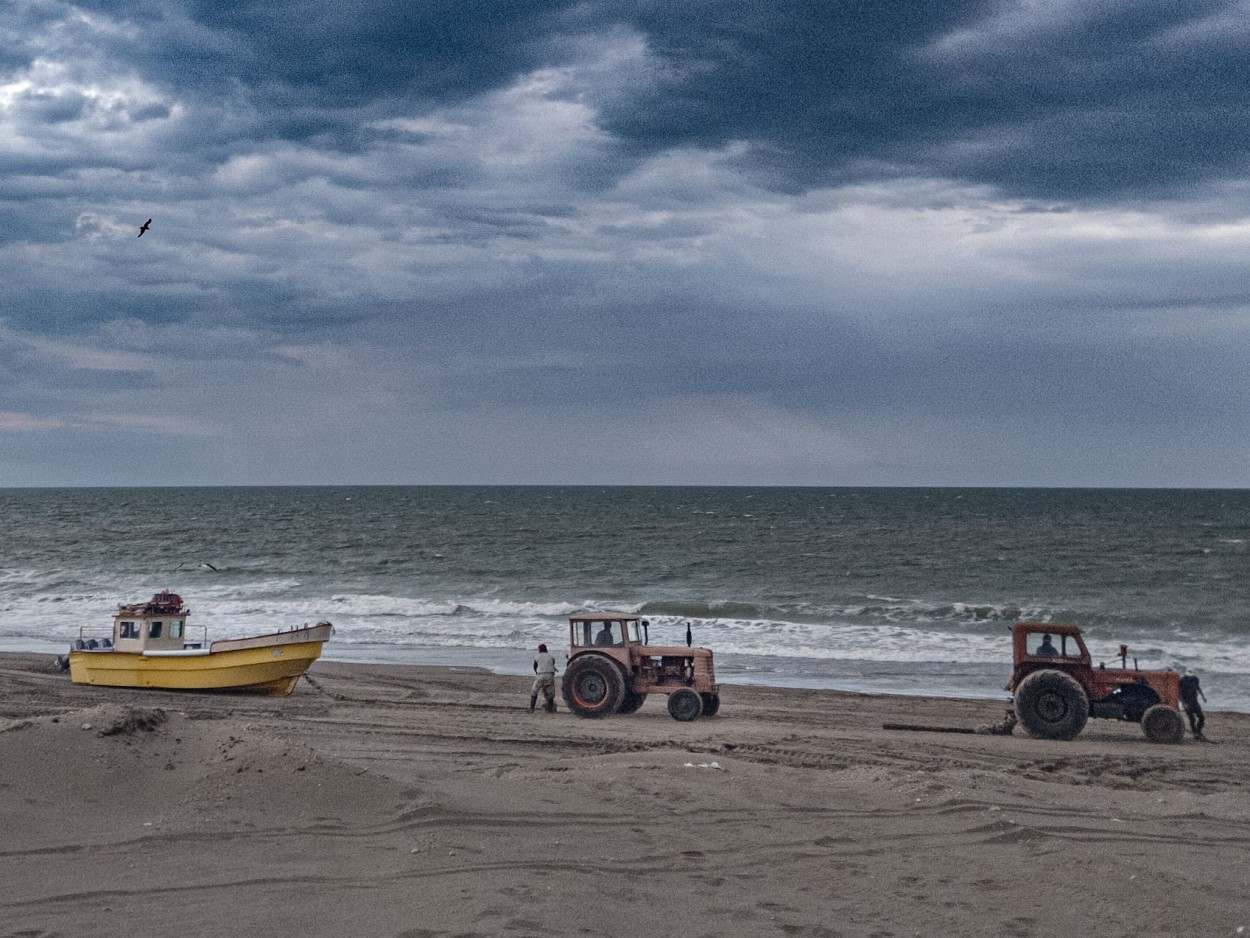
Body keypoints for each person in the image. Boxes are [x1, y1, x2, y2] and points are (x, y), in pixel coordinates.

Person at [530, 643, 558, 713]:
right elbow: (552, 664)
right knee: (550, 693)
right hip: (550, 675)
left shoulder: (537, 657)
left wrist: (537, 674)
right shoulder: (551, 657)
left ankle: (531, 709)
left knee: (534, 691)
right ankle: (550, 710)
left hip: (540, 675)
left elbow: (535, 666)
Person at [1179, 673, 1206, 740]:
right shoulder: (1183, 680)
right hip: (1187, 702)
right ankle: (1195, 733)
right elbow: (1180, 693)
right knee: (1192, 719)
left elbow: (1198, 688)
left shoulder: (1195, 679)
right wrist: (1183, 703)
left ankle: (1198, 731)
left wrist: (1203, 696)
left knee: (1201, 717)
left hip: (1195, 701)